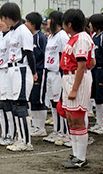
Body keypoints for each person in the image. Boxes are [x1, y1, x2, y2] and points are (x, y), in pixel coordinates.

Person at [0, 2, 37, 151]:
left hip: (21, 69)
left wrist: (33, 73)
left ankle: (26, 142)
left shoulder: (23, 31)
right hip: (12, 69)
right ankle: (20, 138)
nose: (2, 21)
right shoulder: (14, 31)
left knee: (21, 105)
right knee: (15, 105)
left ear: (9, 16)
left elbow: (29, 53)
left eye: (3, 17)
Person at [61, 9, 94, 168]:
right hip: (69, 77)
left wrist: (75, 88)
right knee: (70, 119)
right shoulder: (74, 38)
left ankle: (81, 158)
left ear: (69, 24)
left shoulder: (81, 38)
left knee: (77, 119)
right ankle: (75, 154)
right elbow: (92, 61)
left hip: (76, 78)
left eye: (64, 23)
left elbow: (82, 65)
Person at [42, 11, 70, 145]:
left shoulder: (62, 36)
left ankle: (64, 132)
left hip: (58, 73)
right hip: (50, 72)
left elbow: (66, 55)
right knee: (53, 103)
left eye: (50, 19)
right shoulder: (51, 36)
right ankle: (57, 130)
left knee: (60, 103)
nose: (47, 22)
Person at [0, 17, 15, 145]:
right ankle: (4, 133)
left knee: (8, 105)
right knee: (0, 104)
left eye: (3, 20)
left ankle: (11, 134)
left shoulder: (12, 35)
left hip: (7, 71)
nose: (0, 23)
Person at [25, 12, 48, 137]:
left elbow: (45, 54)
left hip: (40, 71)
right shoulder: (29, 36)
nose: (25, 24)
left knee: (39, 99)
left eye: (27, 22)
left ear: (33, 24)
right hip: (31, 71)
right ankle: (35, 125)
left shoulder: (41, 37)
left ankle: (41, 127)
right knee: (32, 99)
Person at [88, 14, 103, 134]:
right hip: (94, 69)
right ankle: (99, 122)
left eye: (91, 23)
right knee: (96, 96)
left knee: (101, 97)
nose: (89, 25)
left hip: (101, 68)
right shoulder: (94, 37)